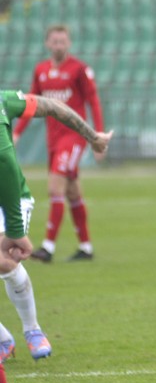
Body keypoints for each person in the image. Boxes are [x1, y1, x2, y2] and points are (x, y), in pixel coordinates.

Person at [0, 89, 112, 362]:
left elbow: (51, 106)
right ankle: (4, 340)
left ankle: (32, 330)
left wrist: (92, 136)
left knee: (3, 260)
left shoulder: (4, 101)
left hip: (11, 200)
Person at [13, 25, 105, 262]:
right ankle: (86, 247)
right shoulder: (41, 70)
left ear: (69, 43)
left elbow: (93, 101)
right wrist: (17, 132)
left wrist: (97, 135)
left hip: (73, 137)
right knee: (72, 192)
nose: (58, 46)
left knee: (55, 187)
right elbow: (30, 103)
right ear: (47, 44)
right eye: (54, 41)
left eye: (62, 41)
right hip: (53, 140)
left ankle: (48, 247)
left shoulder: (79, 69)